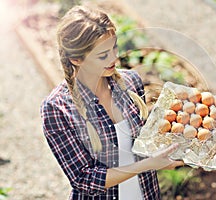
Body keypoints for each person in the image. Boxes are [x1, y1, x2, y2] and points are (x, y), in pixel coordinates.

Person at [40, 5, 184, 200]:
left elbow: (146, 145)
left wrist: (182, 145)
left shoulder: (131, 82)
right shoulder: (57, 108)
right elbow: (84, 180)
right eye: (102, 55)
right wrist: (147, 165)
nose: (114, 58)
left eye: (114, 47)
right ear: (76, 59)